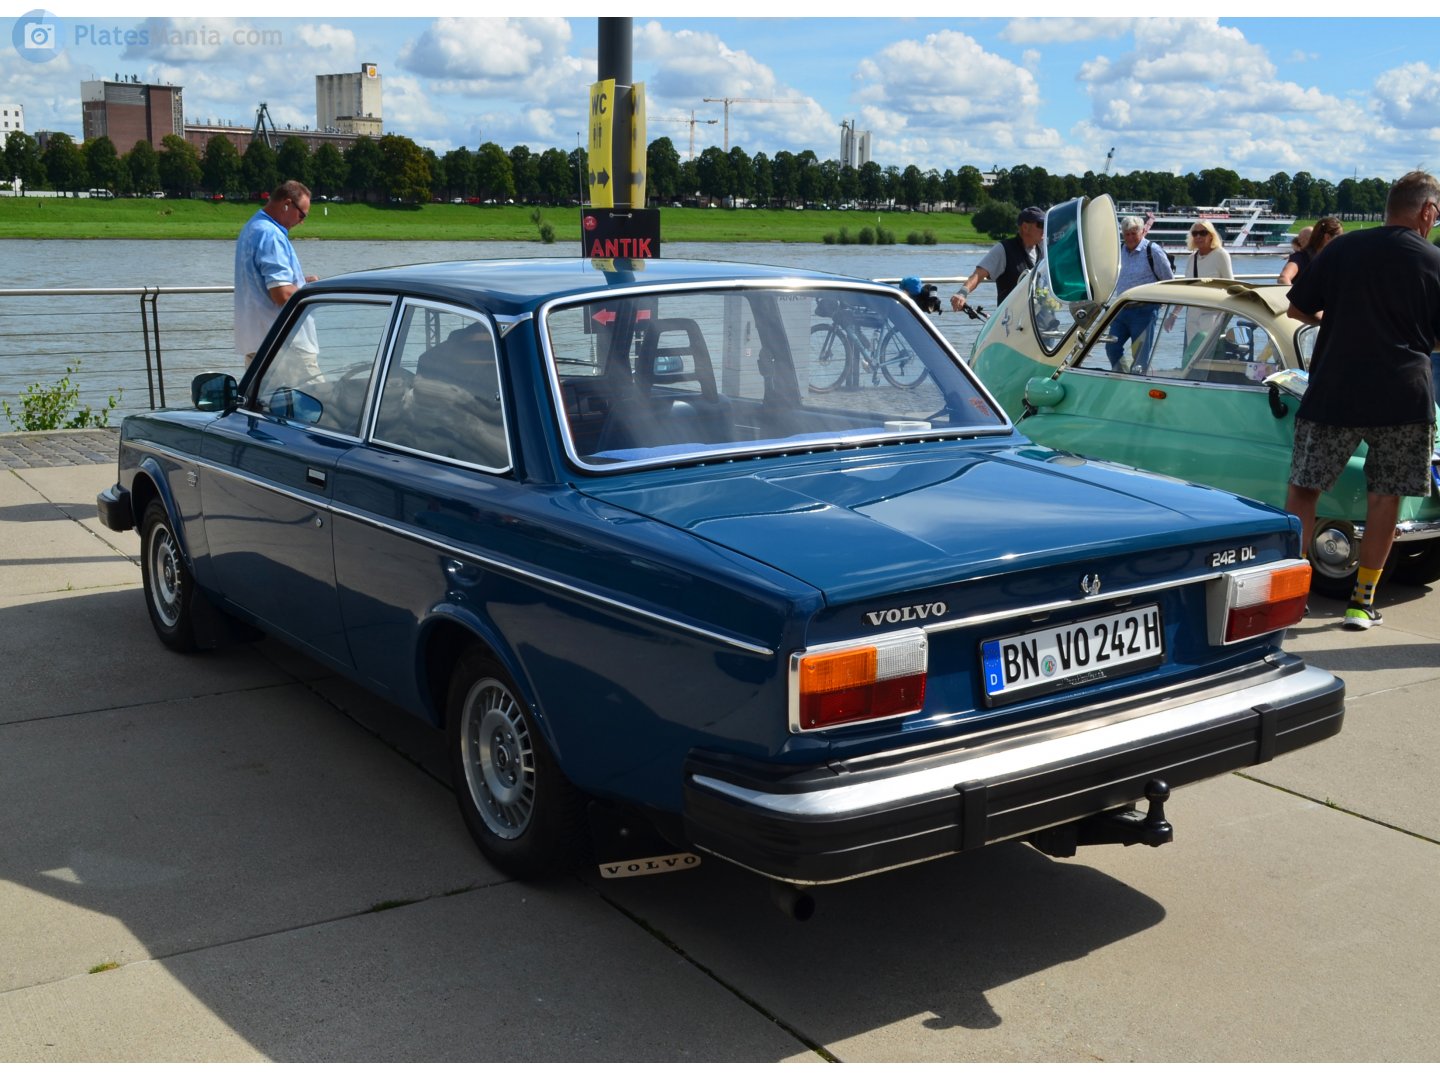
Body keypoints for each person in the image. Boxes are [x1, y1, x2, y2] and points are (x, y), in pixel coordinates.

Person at [1284, 170, 1440, 630]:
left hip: (1336, 386)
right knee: (1384, 497)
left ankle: (1293, 593)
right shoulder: (1433, 260)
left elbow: (1296, 308)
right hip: (1402, 393)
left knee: (1304, 488)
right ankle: (1362, 601)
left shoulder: (1342, 248)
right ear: (1426, 211)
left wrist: (1338, 319)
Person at [234, 180, 317, 362]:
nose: (301, 222)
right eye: (302, 215)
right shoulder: (270, 235)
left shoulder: (252, 227)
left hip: (258, 345)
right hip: (284, 347)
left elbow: (265, 283)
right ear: (287, 204)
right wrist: (313, 291)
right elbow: (282, 294)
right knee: (318, 390)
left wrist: (301, 282)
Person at [1105, 215, 1174, 371]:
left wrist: (1163, 306)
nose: (1130, 237)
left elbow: (1168, 279)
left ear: (1142, 232)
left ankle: (1137, 386)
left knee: (1140, 357)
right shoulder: (1120, 250)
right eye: (1126, 233)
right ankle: (1121, 378)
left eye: (1133, 233)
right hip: (1121, 310)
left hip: (1145, 311)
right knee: (1111, 347)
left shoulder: (1153, 251)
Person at [951, 206, 1045, 312]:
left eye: (1046, 225)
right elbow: (978, 275)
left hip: (1043, 322)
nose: (1044, 229)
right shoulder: (1004, 249)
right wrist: (962, 293)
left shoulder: (1045, 250)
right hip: (1013, 322)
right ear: (1025, 227)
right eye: (1040, 225)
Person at [1278, 217, 1342, 286]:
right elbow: (1284, 278)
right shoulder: (1301, 258)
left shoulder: (1334, 259)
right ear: (1327, 237)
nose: (1342, 241)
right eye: (1340, 237)